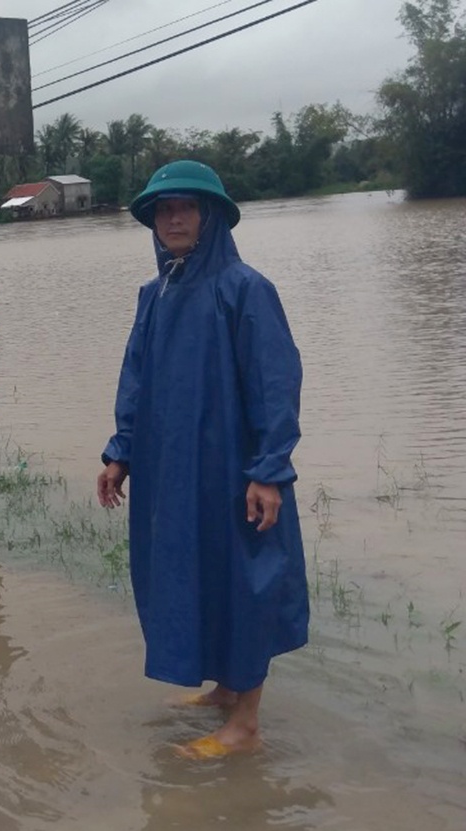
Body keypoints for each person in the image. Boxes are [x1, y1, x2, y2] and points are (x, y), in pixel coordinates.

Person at [96, 160, 308, 759]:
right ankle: (224, 689)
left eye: (187, 206)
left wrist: (269, 470)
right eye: (164, 209)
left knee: (245, 578)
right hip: (174, 473)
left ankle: (245, 727)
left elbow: (276, 382)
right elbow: (135, 379)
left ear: (212, 215)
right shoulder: (154, 295)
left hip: (234, 470)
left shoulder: (245, 289)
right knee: (196, 572)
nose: (175, 218)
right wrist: (121, 454)